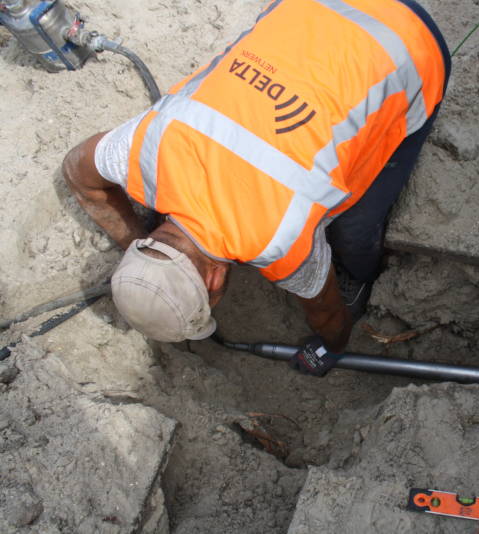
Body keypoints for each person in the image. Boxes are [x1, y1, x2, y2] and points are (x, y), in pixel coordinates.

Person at [62, 0, 450, 376]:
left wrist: (331, 348)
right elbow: (78, 171)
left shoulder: (276, 240)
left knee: (354, 228)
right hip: (309, 10)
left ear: (215, 281)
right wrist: (137, 240)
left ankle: (360, 276)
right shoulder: (148, 147)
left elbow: (328, 313)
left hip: (412, 47)